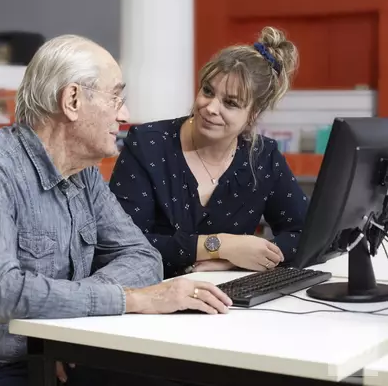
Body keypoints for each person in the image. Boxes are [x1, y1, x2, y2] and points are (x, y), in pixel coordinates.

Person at [0, 34, 232, 386]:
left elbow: (143, 257)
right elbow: (1, 294)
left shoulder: (82, 173)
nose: (125, 113)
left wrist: (74, 313)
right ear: (72, 100)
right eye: (116, 97)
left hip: (46, 355)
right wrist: (132, 299)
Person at [109, 26, 308, 279]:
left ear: (253, 115)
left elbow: (307, 233)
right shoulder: (148, 145)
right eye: (207, 91)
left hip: (226, 304)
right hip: (153, 295)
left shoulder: (263, 157)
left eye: (231, 103)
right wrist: (219, 246)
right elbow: (122, 244)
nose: (211, 107)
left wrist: (235, 261)